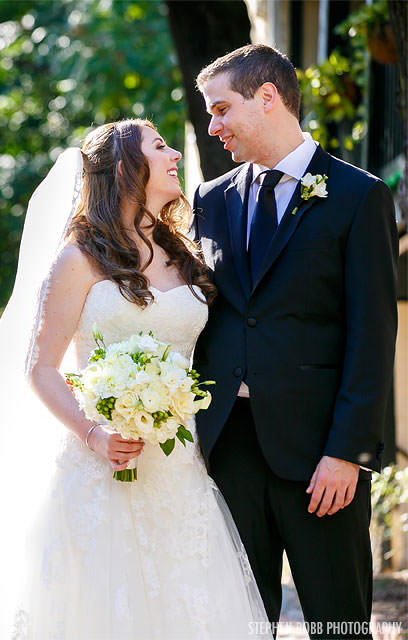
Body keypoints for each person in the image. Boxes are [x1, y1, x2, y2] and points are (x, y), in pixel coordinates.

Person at [0, 119, 267, 640]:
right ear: (125, 169)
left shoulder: (185, 256)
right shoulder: (78, 260)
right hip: (99, 466)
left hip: (178, 470)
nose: (175, 157)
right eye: (160, 147)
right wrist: (94, 433)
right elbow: (41, 367)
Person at [192, 44, 398, 639]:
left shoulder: (359, 196)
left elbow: (373, 333)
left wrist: (348, 453)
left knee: (339, 623)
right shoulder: (211, 200)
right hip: (228, 448)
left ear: (267, 98)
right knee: (240, 625)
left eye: (221, 109)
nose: (214, 126)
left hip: (320, 458)